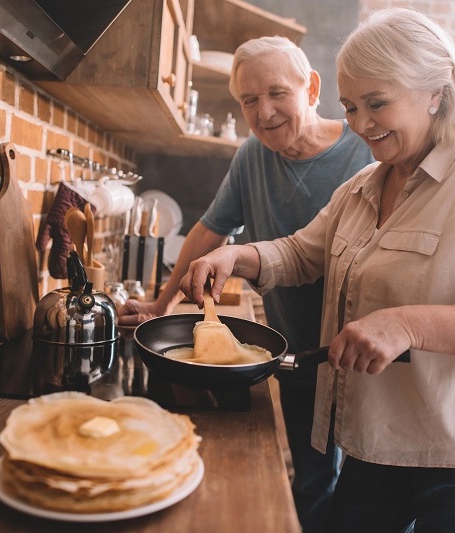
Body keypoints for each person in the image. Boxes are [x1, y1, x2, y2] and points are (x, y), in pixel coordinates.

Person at [179, 9, 455, 533]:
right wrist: (238, 257)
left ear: (434, 92)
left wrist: (407, 324)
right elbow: (301, 253)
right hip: (382, 434)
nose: (360, 123)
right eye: (350, 106)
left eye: (377, 103)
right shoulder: (363, 185)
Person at [119, 36, 374, 531]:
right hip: (296, 351)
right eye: (249, 100)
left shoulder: (365, 152)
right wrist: (159, 304)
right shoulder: (252, 156)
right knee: (311, 481)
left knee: (368, 495)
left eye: (277, 93)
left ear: (312, 87)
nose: (265, 111)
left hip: (363, 357)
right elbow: (209, 231)